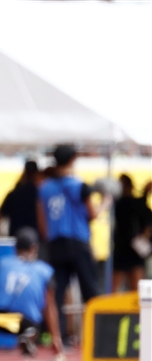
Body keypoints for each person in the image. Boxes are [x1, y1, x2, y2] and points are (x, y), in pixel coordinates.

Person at [37, 145, 110, 345]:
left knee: (57, 293)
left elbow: (42, 223)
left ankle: (57, 338)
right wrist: (106, 201)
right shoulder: (79, 185)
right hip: (78, 243)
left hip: (55, 244)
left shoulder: (44, 188)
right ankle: (99, 338)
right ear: (73, 159)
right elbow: (93, 214)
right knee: (91, 290)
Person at [0, 227, 65, 358]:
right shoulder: (45, 270)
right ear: (35, 248)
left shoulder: (2, 263)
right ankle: (30, 336)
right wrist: (56, 338)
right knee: (37, 318)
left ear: (15, 248)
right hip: (25, 322)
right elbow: (49, 306)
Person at [111, 174, 152, 293]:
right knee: (115, 288)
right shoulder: (120, 203)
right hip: (122, 250)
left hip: (133, 251)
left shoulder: (131, 204)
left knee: (137, 289)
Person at [0, 161, 43, 239]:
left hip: (16, 239)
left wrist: (0, 237)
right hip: (35, 239)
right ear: (37, 174)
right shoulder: (39, 194)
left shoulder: (13, 194)